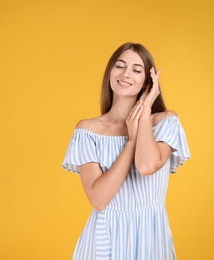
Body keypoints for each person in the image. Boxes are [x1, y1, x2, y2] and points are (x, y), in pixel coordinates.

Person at [62, 42, 191, 260]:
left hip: (152, 238)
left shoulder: (165, 123)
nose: (126, 74)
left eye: (136, 70)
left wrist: (145, 112)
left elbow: (147, 165)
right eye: (119, 66)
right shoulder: (87, 131)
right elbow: (99, 199)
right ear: (110, 72)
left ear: (147, 82)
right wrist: (130, 142)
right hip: (105, 238)